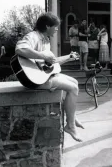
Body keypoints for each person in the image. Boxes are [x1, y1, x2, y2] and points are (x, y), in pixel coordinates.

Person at [15, 12, 83, 142]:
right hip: (33, 80)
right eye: (55, 26)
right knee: (73, 88)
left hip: (42, 76)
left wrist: (69, 57)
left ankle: (71, 116)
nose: (57, 29)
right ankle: (70, 126)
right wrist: (43, 56)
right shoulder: (33, 36)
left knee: (74, 81)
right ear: (47, 26)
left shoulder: (45, 40)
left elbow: (51, 63)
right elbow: (20, 49)